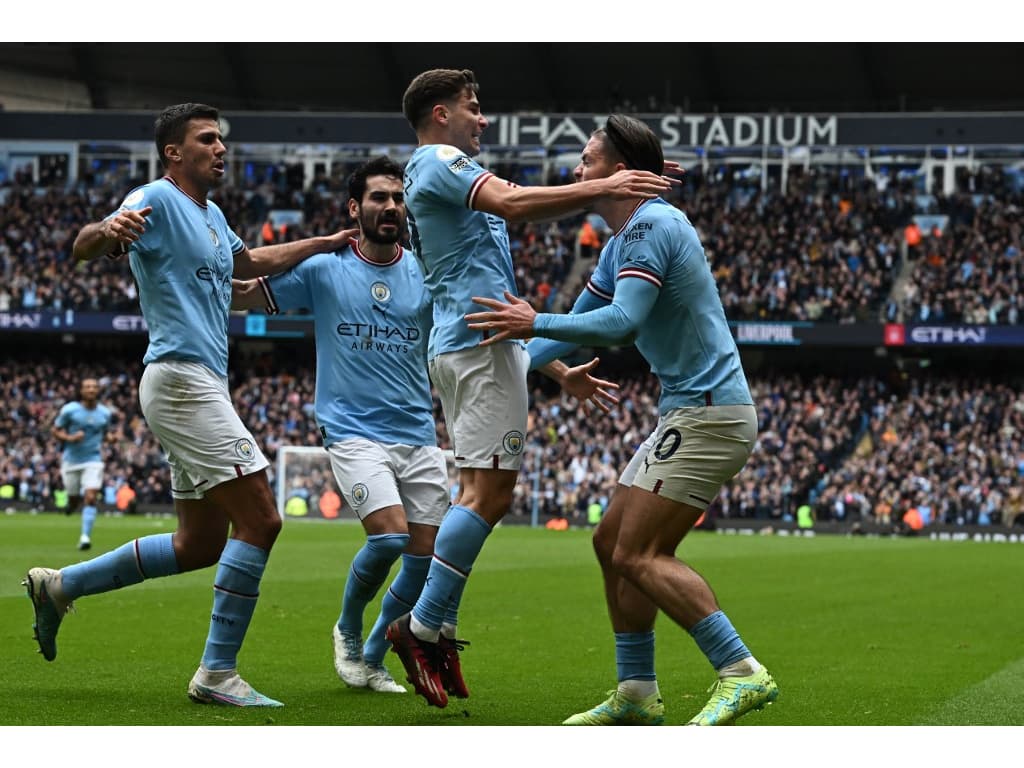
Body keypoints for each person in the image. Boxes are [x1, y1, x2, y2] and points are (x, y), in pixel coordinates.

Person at [23, 102, 356, 708]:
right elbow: (82, 244)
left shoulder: (211, 215)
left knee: (198, 544)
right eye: (207, 139)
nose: (221, 148)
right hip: (182, 381)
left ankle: (60, 586)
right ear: (175, 151)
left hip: (194, 382)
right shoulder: (154, 196)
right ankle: (217, 673)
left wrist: (325, 242)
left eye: (221, 139)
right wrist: (108, 233)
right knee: (262, 519)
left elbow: (248, 264)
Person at [465, 114, 779, 726]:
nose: (577, 172)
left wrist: (534, 321)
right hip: (692, 412)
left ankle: (741, 671)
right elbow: (579, 320)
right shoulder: (620, 242)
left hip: (709, 415)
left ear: (619, 171)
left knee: (638, 552)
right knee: (610, 543)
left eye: (587, 160)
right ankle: (636, 692)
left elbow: (621, 324)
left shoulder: (651, 225)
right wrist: (503, 370)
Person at [384, 68, 668, 709]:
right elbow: (511, 203)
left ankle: (441, 626)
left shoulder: (433, 170)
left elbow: (475, 273)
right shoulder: (438, 160)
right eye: (472, 108)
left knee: (476, 491)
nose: (482, 119)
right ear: (439, 114)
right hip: (476, 348)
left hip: (478, 346)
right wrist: (605, 183)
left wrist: (551, 367)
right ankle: (421, 628)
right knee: (489, 495)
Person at [51, 377, 116, 550]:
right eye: (87, 386)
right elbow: (55, 430)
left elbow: (105, 434)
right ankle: (71, 507)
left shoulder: (104, 413)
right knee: (74, 500)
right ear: (81, 390)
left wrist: (112, 439)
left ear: (98, 390)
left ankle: (85, 537)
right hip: (71, 461)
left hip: (93, 460)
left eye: (94, 387)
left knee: (90, 496)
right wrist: (70, 438)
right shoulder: (70, 410)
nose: (91, 389)